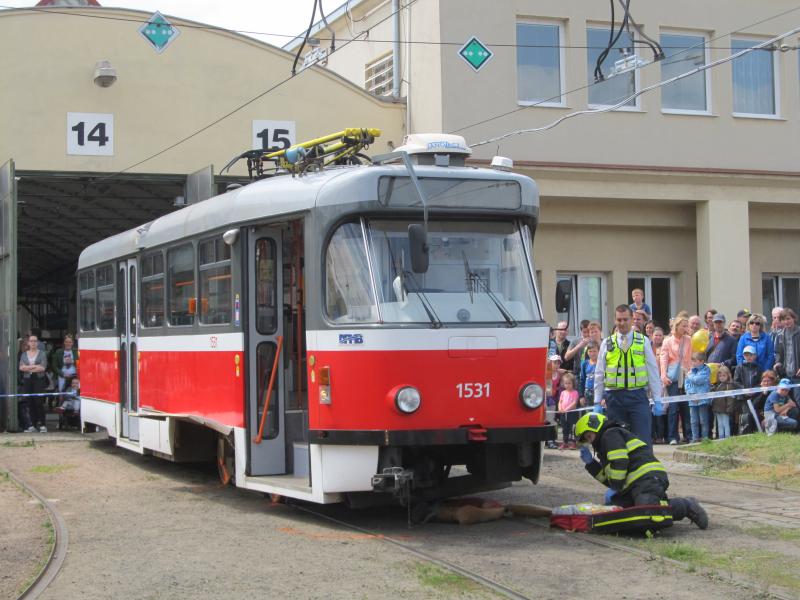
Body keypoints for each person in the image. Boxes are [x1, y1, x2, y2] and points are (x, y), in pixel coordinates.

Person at [575, 412, 708, 529]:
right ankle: (658, 504)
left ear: (595, 426)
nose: (590, 442)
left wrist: (615, 487)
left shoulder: (610, 434)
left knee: (648, 513)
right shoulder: (605, 447)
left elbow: (620, 462)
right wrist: (592, 464)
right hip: (634, 485)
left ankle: (687, 505)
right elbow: (611, 479)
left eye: (589, 436)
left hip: (647, 478)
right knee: (621, 514)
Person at [594, 305, 663, 447]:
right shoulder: (607, 343)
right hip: (614, 398)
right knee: (617, 442)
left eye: (625, 319)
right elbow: (600, 374)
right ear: (615, 320)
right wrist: (597, 401)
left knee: (642, 441)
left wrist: (657, 398)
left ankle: (645, 468)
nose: (622, 323)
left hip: (637, 397)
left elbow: (652, 371)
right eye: (619, 320)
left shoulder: (642, 341)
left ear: (632, 320)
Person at [661, 315, 693, 445]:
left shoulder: (688, 340)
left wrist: (691, 373)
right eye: (684, 325)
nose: (686, 328)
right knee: (673, 407)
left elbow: (690, 357)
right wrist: (664, 375)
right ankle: (672, 436)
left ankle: (689, 435)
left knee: (686, 406)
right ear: (677, 326)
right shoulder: (668, 341)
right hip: (673, 376)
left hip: (685, 375)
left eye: (687, 325)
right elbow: (664, 359)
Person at [19, 333, 48, 433]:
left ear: (37, 342)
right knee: (29, 402)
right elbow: (21, 367)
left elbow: (43, 367)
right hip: (28, 379)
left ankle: (43, 425)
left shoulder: (42, 353)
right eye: (31, 341)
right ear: (28, 343)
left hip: (39, 379)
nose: (33, 343)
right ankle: (33, 425)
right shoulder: (24, 354)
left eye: (35, 341)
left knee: (38, 401)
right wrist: (35, 367)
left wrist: (28, 368)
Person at [733, 345, 763, 434]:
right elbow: (736, 381)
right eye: (746, 355)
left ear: (755, 356)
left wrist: (753, 391)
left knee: (755, 413)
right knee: (746, 415)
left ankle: (755, 430)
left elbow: (760, 382)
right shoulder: (739, 367)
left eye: (750, 355)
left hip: (755, 396)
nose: (748, 357)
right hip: (743, 397)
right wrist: (745, 391)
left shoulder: (758, 368)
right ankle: (745, 432)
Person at [685, 352, 712, 442]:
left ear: (702, 361)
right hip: (692, 400)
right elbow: (687, 385)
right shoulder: (691, 371)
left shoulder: (706, 370)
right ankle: (695, 438)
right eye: (692, 361)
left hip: (702, 400)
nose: (693, 363)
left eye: (695, 361)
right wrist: (692, 395)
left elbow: (698, 380)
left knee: (703, 420)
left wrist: (689, 375)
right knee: (693, 421)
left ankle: (705, 438)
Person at [774, 309, 800, 385]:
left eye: (788, 319)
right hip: (785, 374)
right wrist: (778, 362)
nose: (786, 322)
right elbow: (778, 352)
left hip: (798, 374)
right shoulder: (779, 335)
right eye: (783, 319)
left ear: (794, 318)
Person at [711, 366, 737, 440]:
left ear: (728, 375)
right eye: (720, 376)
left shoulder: (729, 386)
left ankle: (727, 437)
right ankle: (721, 437)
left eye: (724, 375)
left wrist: (729, 409)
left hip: (725, 410)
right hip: (717, 409)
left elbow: (731, 399)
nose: (722, 377)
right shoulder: (718, 386)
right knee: (719, 424)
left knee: (726, 424)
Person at [558, 373, 579, 449]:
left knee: (573, 428)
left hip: (572, 414)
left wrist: (566, 410)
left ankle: (573, 443)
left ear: (573, 383)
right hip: (563, 414)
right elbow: (560, 401)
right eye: (566, 383)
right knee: (565, 429)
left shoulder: (575, 392)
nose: (567, 385)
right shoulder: (563, 392)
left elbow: (574, 403)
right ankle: (565, 442)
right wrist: (560, 408)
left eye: (569, 383)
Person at [579, 341, 599, 409]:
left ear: (599, 351)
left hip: (599, 392)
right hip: (587, 393)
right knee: (589, 415)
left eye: (594, 351)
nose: (592, 353)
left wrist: (604, 397)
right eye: (590, 351)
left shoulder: (601, 363)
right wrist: (581, 396)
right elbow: (582, 380)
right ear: (587, 352)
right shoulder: (584, 364)